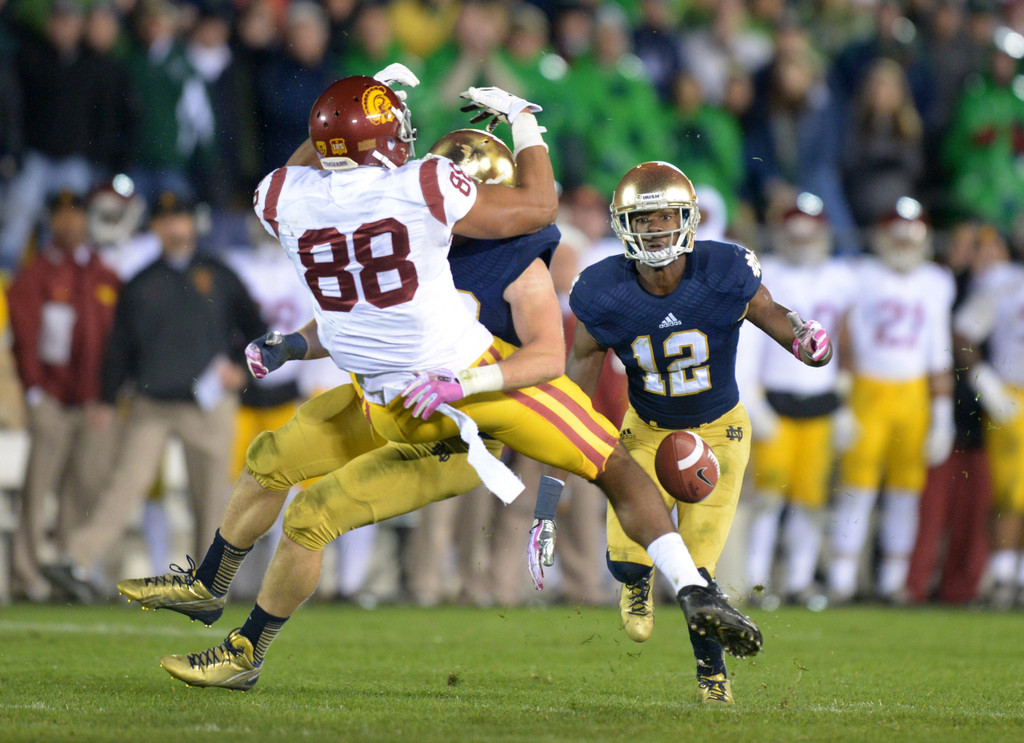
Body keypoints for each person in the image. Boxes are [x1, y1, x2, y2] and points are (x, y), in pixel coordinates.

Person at [117, 71, 762, 691]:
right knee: (275, 467)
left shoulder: (314, 203)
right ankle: (222, 606)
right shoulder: (417, 203)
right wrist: (524, 121)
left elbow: (539, 352)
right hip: (403, 396)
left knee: (611, 465)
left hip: (475, 395)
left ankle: (695, 592)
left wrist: (351, 111)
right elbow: (356, 315)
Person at [527, 162, 834, 704]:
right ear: (624, 226)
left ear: (688, 219)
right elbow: (570, 404)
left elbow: (771, 312)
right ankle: (636, 580)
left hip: (719, 433)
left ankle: (712, 676)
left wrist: (803, 339)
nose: (656, 231)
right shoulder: (602, 290)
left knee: (701, 575)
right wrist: (548, 500)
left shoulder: (723, 268)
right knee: (623, 559)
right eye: (643, 221)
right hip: (644, 431)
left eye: (666, 217)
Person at [39, 192, 265, 601]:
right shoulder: (141, 282)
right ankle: (77, 560)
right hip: (151, 403)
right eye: (166, 221)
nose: (175, 227)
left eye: (181, 218)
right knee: (124, 486)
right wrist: (107, 400)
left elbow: (257, 328)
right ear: (156, 228)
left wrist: (242, 367)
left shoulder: (220, 273)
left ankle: (210, 586)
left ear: (192, 224)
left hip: (208, 405)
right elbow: (118, 348)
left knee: (211, 499)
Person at [825, 197, 955, 605]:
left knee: (905, 491)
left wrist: (942, 412)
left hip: (913, 393)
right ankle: (841, 579)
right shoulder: (859, 274)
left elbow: (939, 349)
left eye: (910, 231)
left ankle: (893, 582)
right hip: (868, 390)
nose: (903, 240)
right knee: (856, 487)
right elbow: (842, 337)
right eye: (895, 231)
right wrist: (843, 401)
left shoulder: (936, 281)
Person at [738, 197, 856, 609]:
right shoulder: (767, 273)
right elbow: (751, 341)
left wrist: (845, 396)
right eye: (796, 232)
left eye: (811, 232)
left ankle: (801, 579)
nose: (804, 241)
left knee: (811, 501)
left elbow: (847, 334)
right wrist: (752, 399)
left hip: (821, 403)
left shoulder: (841, 276)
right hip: (777, 399)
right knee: (768, 498)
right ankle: (757, 580)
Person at [6, 190, 121, 601]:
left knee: (84, 490)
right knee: (38, 490)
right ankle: (26, 577)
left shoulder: (104, 275)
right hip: (52, 399)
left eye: (77, 215)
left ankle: (69, 574)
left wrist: (107, 396)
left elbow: (115, 341)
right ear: (51, 221)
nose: (70, 223)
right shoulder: (35, 274)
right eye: (62, 215)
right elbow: (23, 335)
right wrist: (34, 391)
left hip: (93, 403)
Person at [952, 228, 1024, 608]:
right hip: (1014, 392)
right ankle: (1001, 576)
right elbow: (963, 332)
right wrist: (986, 381)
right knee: (1011, 491)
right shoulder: (1004, 282)